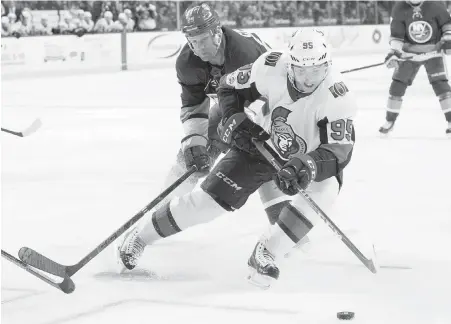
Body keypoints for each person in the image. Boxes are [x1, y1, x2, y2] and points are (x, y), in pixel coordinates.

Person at [118, 28, 357, 289]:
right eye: (301, 70)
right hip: (262, 145)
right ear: (290, 65)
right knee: (205, 204)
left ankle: (268, 252)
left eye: (317, 70)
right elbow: (229, 86)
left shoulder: (339, 96)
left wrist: (307, 165)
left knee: (327, 188)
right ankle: (140, 238)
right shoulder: (271, 65)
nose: (309, 79)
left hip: (307, 156)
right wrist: (234, 117)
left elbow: (339, 151)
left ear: (328, 65)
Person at [118, 3, 298, 271]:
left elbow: (268, 97)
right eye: (192, 40)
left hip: (264, 108)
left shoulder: (245, 53)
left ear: (217, 32)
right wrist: (194, 142)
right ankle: (148, 222)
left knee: (267, 160)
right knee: (190, 160)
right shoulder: (187, 63)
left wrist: (246, 125)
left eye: (203, 39)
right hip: (226, 111)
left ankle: (280, 232)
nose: (198, 47)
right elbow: (194, 106)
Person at [379, 0, 451, 136]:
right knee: (397, 86)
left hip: (433, 52)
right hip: (409, 54)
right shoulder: (399, 8)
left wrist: (447, 39)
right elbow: (396, 35)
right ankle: (390, 121)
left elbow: (446, 24)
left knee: (441, 86)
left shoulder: (436, 5)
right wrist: (394, 52)